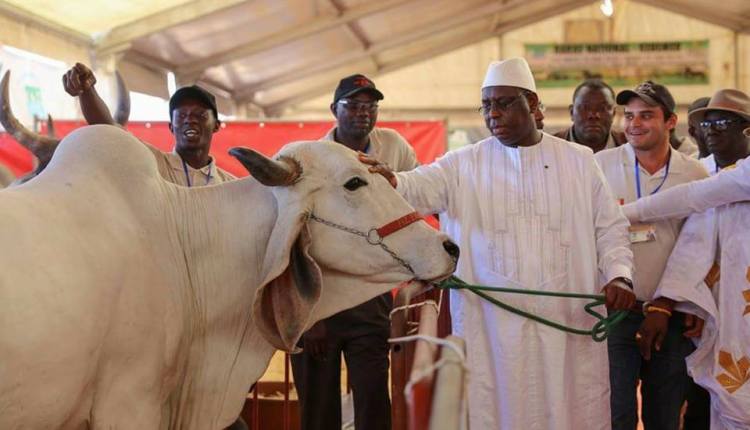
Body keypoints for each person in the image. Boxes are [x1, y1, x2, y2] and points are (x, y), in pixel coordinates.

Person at [363, 57, 636, 429]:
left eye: (504, 103)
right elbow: (415, 187)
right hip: (490, 328)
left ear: (534, 106)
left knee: (572, 411)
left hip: (566, 326)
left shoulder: (579, 161)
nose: (494, 114)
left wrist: (619, 275)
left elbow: (610, 227)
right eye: (487, 105)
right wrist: (389, 180)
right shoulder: (462, 164)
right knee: (494, 410)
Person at [63, 63, 246, 430]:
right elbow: (109, 131)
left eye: (200, 114)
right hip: (159, 310)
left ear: (216, 125)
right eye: (182, 115)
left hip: (212, 315)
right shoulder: (154, 167)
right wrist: (86, 93)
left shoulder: (232, 188)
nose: (190, 120)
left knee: (215, 409)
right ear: (171, 126)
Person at [290, 74, 417, 430]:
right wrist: (311, 316)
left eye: (370, 106)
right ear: (334, 110)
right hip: (320, 296)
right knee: (318, 411)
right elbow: (297, 235)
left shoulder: (394, 147)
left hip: (371, 293)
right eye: (354, 106)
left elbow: (417, 199)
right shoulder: (311, 158)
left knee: (374, 401)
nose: (363, 113)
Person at [594, 81, 708, 430]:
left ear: (671, 121)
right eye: (628, 116)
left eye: (646, 115)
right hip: (615, 313)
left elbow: (702, 247)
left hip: (671, 316)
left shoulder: (694, 173)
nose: (634, 124)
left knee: (664, 415)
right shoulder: (598, 166)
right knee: (616, 414)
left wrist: (692, 305)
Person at [636, 89, 750, 429]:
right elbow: (689, 244)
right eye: (706, 122)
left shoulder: (735, 177)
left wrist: (621, 213)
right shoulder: (700, 172)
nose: (711, 129)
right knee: (711, 402)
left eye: (723, 121)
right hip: (710, 313)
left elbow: (689, 199)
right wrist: (673, 303)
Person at [620, 91, 750, 224]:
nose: (711, 131)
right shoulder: (701, 169)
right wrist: (621, 214)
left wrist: (619, 214)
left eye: (721, 123)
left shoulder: (695, 170)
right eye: (705, 125)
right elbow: (690, 198)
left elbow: (692, 196)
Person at [554, 78, 625, 152]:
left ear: (613, 114)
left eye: (602, 108)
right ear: (572, 112)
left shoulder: (631, 147)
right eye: (585, 108)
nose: (593, 115)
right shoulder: (550, 147)